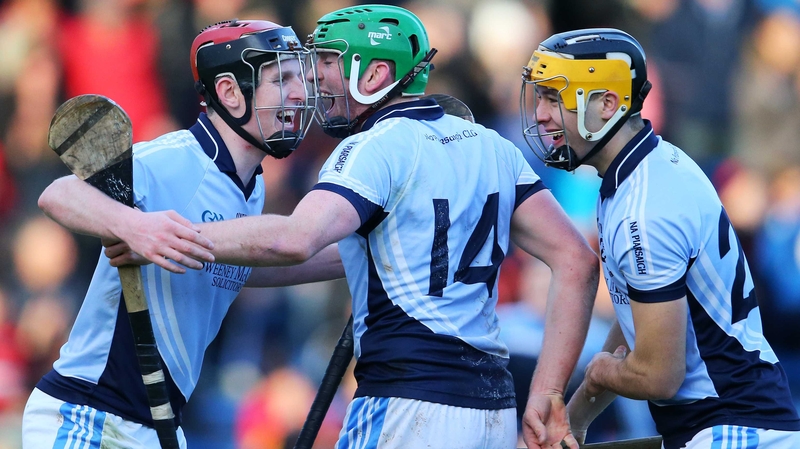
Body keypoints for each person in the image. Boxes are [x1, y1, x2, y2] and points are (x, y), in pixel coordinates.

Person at [103, 5, 598, 449]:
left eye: (328, 63)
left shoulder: (375, 145)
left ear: (377, 72)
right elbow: (575, 259)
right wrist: (549, 393)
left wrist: (165, 237)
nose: (315, 81)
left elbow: (295, 239)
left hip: (407, 405)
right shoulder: (493, 145)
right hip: (492, 409)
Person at [22, 19, 344, 448]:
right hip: (89, 414)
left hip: (157, 425)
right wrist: (136, 227)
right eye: (281, 79)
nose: (301, 93)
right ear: (230, 93)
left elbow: (238, 269)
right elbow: (57, 195)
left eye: (299, 78)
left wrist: (365, 255)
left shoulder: (251, 187)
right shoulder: (175, 160)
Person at [520, 28, 800, 448]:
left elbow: (658, 373)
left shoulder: (644, 206)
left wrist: (597, 371)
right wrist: (575, 420)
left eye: (555, 98)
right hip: (722, 424)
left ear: (607, 105)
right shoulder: (640, 170)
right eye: (540, 97)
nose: (540, 114)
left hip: (732, 429)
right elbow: (640, 323)